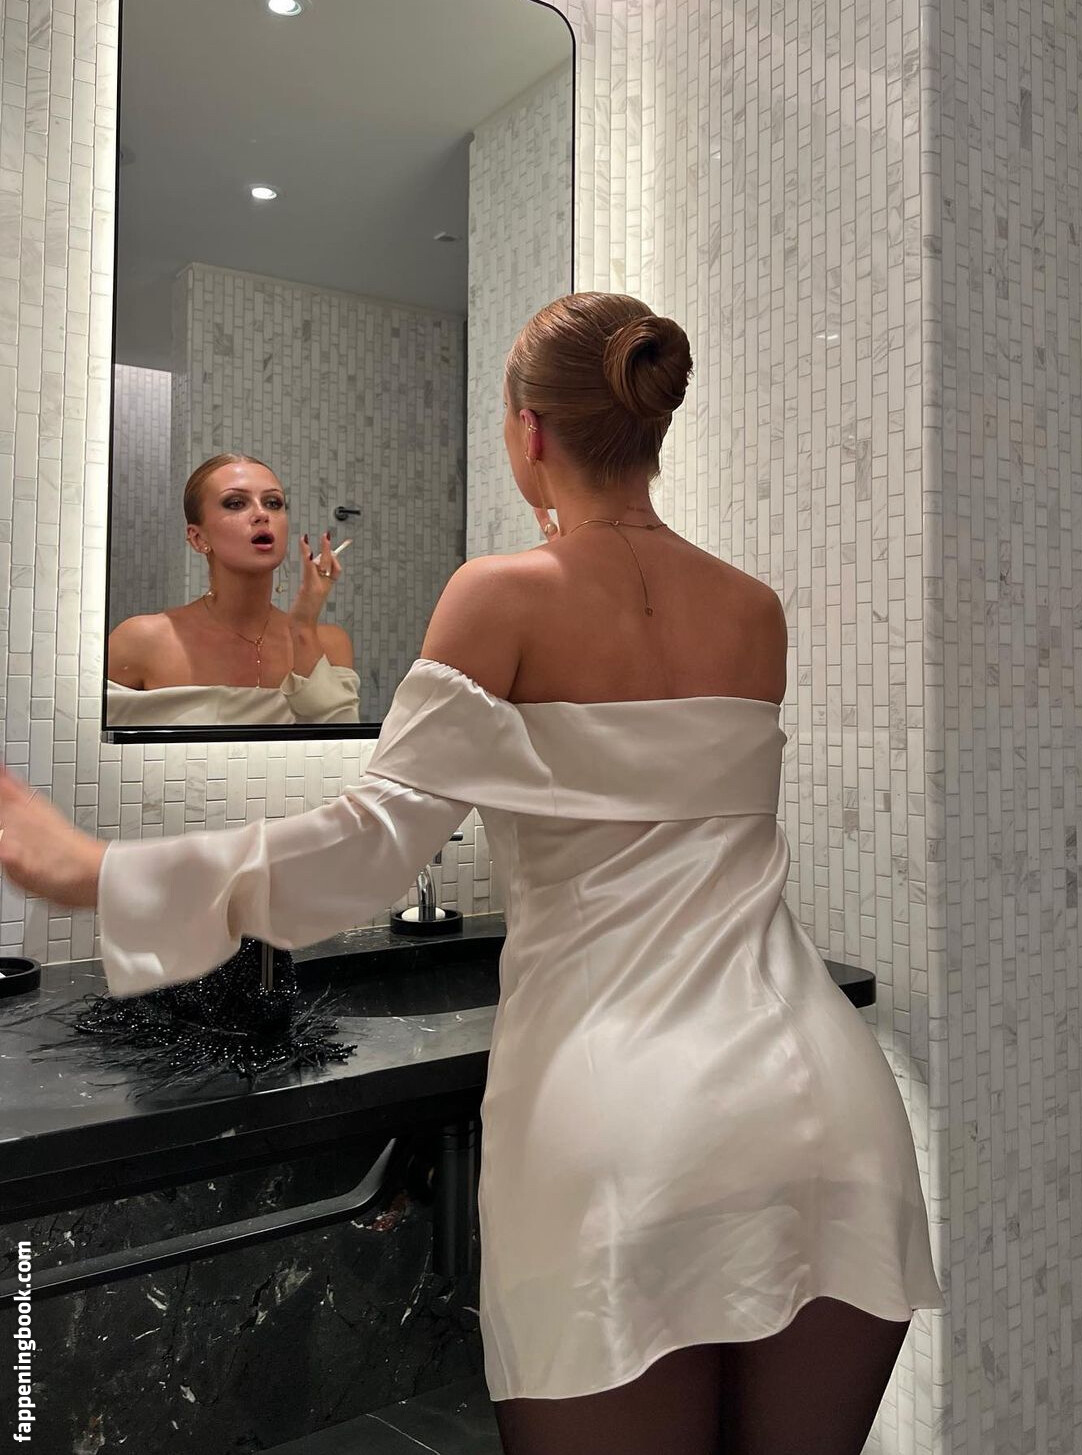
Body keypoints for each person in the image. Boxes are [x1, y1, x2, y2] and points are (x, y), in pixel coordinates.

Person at [0, 293, 943, 1454]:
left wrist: (98, 872)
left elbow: (367, 852)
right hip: (827, 1108)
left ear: (529, 431)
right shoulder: (754, 611)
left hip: (626, 1130)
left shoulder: (503, 593)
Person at [105, 454, 361, 726]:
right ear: (198, 537)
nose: (262, 514)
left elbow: (341, 746)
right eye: (236, 503)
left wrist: (303, 628)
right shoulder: (142, 641)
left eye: (273, 503)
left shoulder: (329, 644)